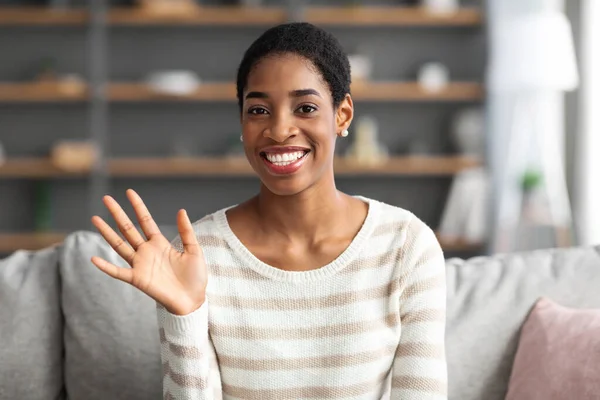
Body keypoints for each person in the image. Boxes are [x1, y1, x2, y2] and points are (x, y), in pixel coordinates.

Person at [90, 22, 447, 400]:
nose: (279, 130)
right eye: (258, 109)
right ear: (242, 123)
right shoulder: (198, 254)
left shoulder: (406, 246)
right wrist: (184, 314)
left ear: (342, 115)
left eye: (305, 108)